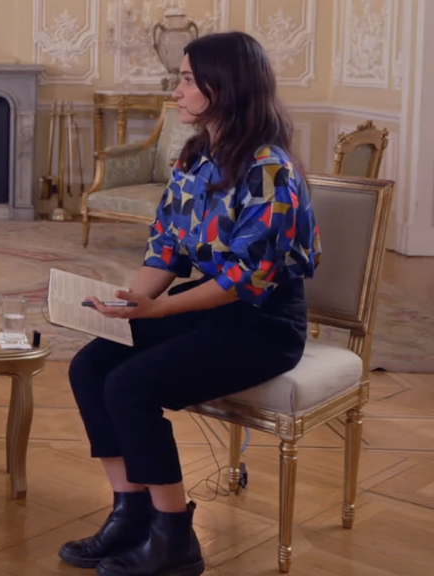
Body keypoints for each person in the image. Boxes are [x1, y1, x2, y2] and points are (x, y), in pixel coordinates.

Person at [57, 31, 321, 576]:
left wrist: (158, 312)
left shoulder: (270, 171)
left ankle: (174, 538)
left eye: (184, 79)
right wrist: (133, 299)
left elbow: (242, 282)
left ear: (222, 86)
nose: (175, 90)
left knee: (131, 384)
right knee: (91, 364)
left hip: (263, 326)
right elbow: (168, 249)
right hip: (206, 308)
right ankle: (129, 514)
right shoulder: (196, 156)